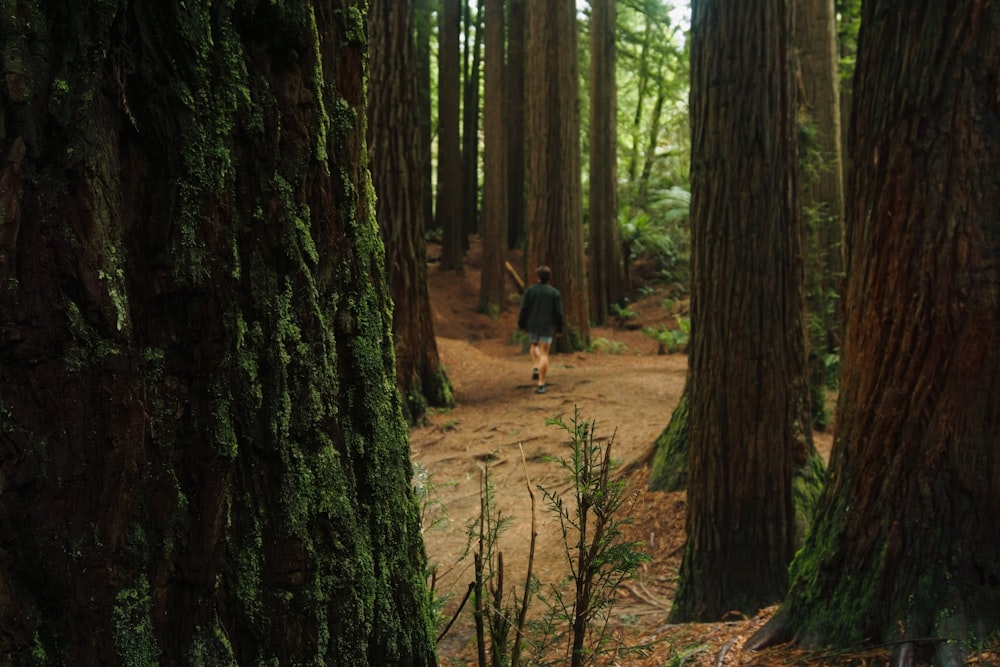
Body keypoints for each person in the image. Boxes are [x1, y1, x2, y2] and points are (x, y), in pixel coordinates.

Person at [517, 265, 564, 394]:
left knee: (533, 345)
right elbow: (559, 313)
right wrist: (560, 327)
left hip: (532, 324)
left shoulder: (530, 291)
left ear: (537, 277)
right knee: (544, 353)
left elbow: (524, 309)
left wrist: (521, 324)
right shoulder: (554, 293)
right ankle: (541, 384)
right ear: (549, 277)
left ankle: (535, 367)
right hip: (547, 326)